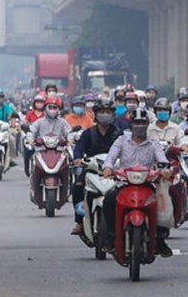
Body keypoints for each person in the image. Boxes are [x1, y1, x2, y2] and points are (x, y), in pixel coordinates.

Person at [100, 107, 174, 258]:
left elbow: (162, 161)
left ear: (147, 124)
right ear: (131, 124)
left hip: (147, 184)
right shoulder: (121, 141)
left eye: (143, 123)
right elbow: (110, 158)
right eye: (137, 123)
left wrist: (165, 170)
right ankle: (111, 236)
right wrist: (107, 168)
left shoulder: (154, 143)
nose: (140, 126)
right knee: (108, 200)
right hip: (124, 184)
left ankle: (160, 239)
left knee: (162, 203)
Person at [70, 98, 123, 236]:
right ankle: (79, 221)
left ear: (113, 114)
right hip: (92, 169)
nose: (105, 115)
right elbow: (79, 148)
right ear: (96, 114)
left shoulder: (118, 133)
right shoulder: (88, 133)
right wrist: (77, 159)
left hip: (113, 171)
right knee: (77, 187)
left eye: (108, 112)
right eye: (102, 112)